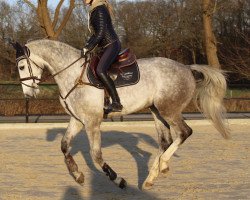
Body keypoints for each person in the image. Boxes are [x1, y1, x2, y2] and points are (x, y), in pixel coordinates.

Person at [82, 0, 123, 113]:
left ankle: (116, 102)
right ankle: (104, 99)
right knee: (92, 67)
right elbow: (95, 34)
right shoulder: (95, 10)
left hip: (111, 44)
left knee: (100, 70)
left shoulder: (100, 9)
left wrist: (89, 46)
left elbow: (100, 33)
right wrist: (86, 45)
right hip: (104, 46)